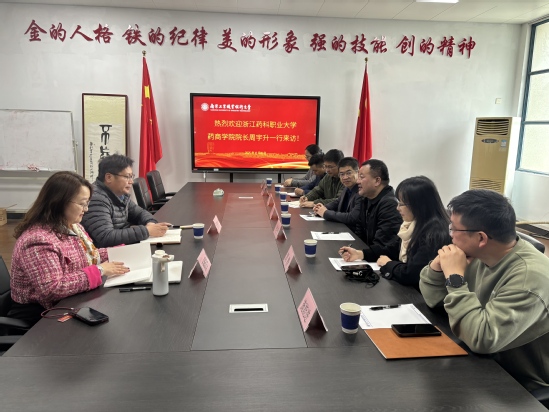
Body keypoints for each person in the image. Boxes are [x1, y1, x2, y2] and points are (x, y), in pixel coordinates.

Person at [420, 189, 549, 392]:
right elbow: (434, 300)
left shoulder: (528, 278)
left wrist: (455, 279)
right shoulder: (479, 254)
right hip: (481, 360)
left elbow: (483, 339)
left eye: (454, 229)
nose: (450, 235)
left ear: (481, 238)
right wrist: (437, 269)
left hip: (519, 383)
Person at [9, 171, 129, 326]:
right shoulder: (37, 240)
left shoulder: (71, 226)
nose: (86, 209)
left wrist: (121, 252)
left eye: (87, 203)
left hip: (67, 302)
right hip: (39, 316)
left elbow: (87, 256)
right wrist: (100, 270)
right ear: (60, 202)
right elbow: (52, 289)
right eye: (82, 203)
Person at [372, 176, 451, 288]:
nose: (397, 208)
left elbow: (412, 274)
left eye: (401, 204)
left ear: (418, 205)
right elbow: (392, 249)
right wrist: (361, 254)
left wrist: (388, 264)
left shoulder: (434, 233)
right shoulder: (412, 224)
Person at [81, 154, 171, 248]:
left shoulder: (119, 194)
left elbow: (139, 213)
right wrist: (147, 230)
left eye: (131, 176)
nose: (131, 181)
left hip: (121, 247)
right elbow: (105, 237)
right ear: (109, 177)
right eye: (127, 177)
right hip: (108, 253)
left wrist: (150, 223)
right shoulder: (97, 199)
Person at [339, 159, 402, 262]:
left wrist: (360, 254)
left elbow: (384, 246)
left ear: (377, 181)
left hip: (381, 262)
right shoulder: (365, 199)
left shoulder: (390, 205)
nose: (358, 181)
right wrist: (353, 250)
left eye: (362, 177)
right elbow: (359, 234)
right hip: (369, 255)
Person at [312, 157, 360, 231]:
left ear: (358, 172)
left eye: (349, 173)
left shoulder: (362, 191)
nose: (345, 177)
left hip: (355, 233)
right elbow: (337, 202)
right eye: (342, 174)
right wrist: (322, 208)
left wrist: (325, 213)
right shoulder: (347, 188)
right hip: (343, 228)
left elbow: (352, 218)